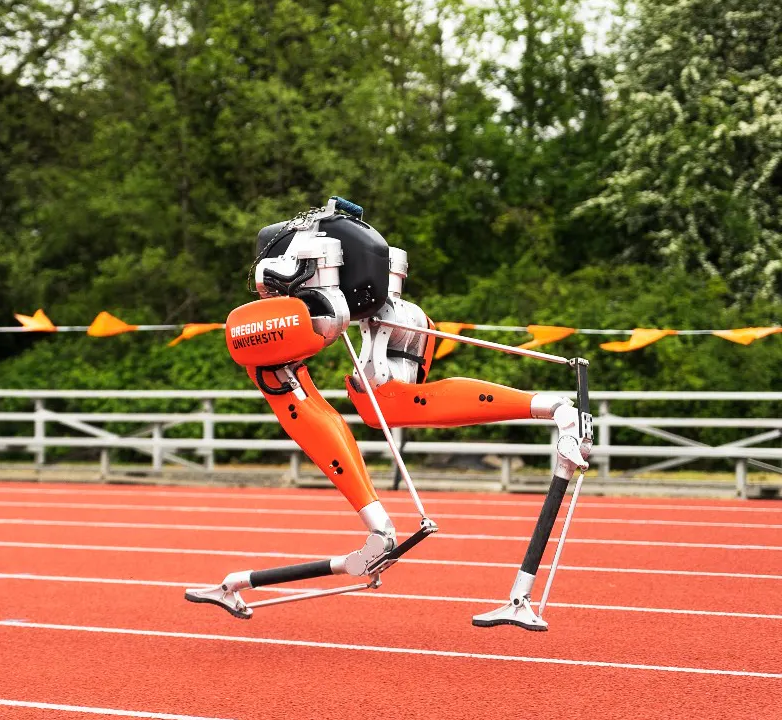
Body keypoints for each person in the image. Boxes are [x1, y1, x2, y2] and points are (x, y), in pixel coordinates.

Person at [194, 197, 590, 627]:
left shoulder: (284, 267)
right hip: (396, 309)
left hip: (328, 309)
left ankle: (379, 527)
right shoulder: (349, 255)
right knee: (387, 402)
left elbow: (287, 307)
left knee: (283, 385)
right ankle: (550, 406)